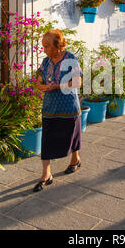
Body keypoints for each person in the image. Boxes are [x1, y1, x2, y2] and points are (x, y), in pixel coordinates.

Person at [33, 29, 83, 192]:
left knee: (71, 135)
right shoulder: (46, 62)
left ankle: (75, 159)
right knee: (47, 139)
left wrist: (58, 86)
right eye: (43, 46)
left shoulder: (71, 59)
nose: (44, 49)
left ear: (58, 45)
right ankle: (46, 174)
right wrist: (44, 87)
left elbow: (77, 82)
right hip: (49, 108)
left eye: (47, 46)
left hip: (68, 106)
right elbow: (38, 83)